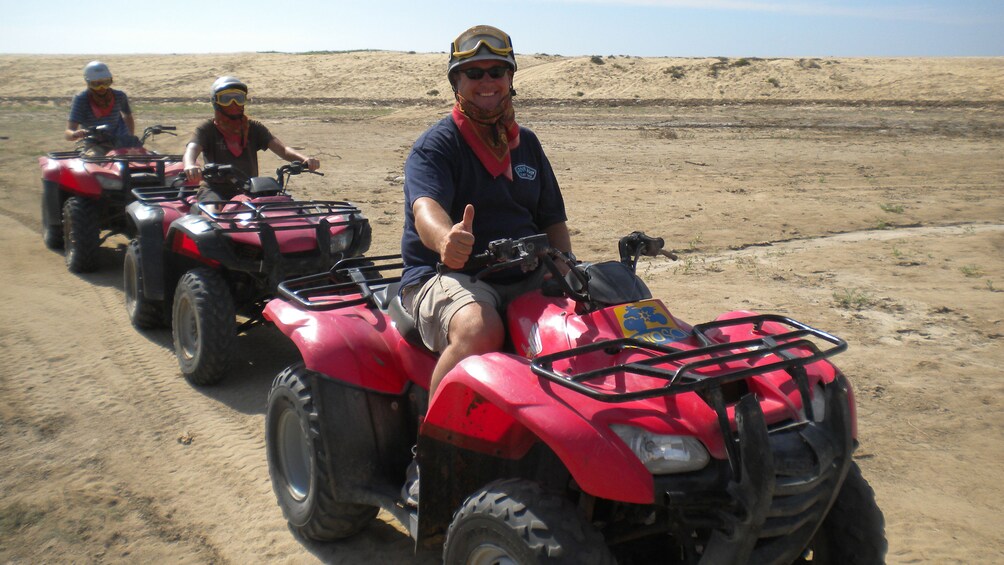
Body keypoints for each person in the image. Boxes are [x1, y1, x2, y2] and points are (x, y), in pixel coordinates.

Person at [401, 24, 573, 401]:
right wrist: (447, 239)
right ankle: (432, 446)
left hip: (523, 269)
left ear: (510, 78)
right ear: (456, 81)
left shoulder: (525, 143)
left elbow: (552, 218)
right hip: (445, 274)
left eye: (497, 71)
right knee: (480, 329)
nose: (487, 82)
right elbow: (424, 208)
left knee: (599, 309)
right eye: (474, 73)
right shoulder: (437, 146)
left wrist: (566, 267)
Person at [182, 76, 320, 202]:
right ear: (216, 102)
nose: (234, 103)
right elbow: (192, 149)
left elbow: (282, 149)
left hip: (250, 188)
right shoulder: (207, 129)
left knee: (280, 209)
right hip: (215, 189)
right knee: (213, 215)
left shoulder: (253, 128)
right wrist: (190, 165)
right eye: (226, 99)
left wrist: (305, 159)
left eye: (239, 98)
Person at [65, 61, 140, 154]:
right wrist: (75, 134)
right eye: (96, 84)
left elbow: (128, 116)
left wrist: (130, 137)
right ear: (88, 82)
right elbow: (68, 132)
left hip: (121, 142)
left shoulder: (119, 96)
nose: (101, 88)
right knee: (98, 160)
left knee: (144, 159)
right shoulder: (81, 99)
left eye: (106, 83)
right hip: (95, 145)